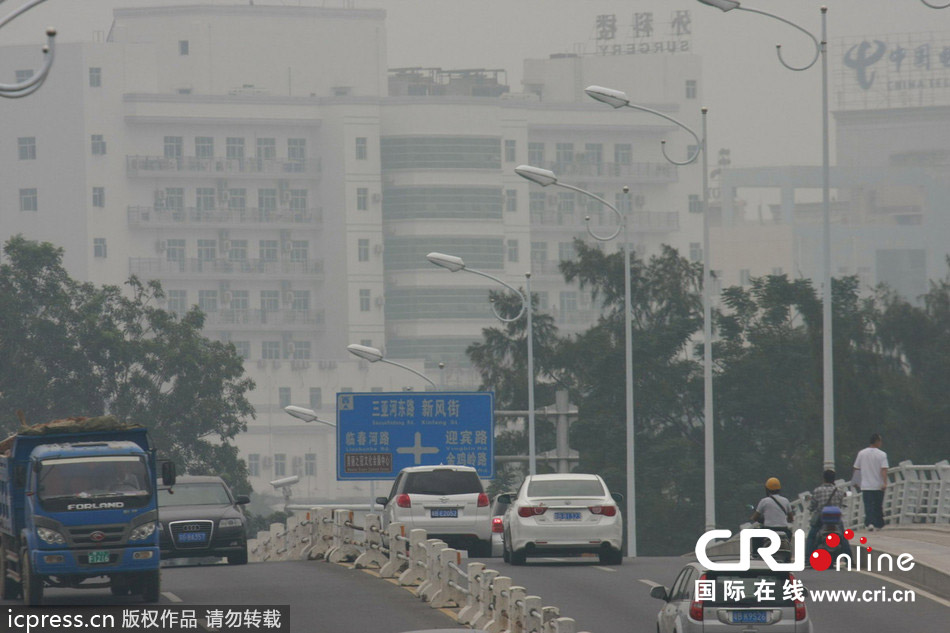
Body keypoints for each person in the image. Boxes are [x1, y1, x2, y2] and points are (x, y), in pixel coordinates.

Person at [852, 433, 889, 530]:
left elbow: (857, 468)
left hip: (866, 485)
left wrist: (856, 481)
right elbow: (884, 469)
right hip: (878, 485)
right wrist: (885, 483)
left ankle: (869, 523)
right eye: (880, 441)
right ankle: (879, 524)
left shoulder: (861, 453)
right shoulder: (882, 454)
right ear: (877, 441)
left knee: (868, 505)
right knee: (878, 505)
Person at [750, 477, 795, 556]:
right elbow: (791, 518)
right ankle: (787, 553)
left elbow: (754, 518)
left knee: (754, 533)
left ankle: (756, 555)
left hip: (768, 530)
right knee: (789, 534)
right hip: (783, 530)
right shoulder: (786, 500)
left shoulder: (764, 501)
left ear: (767, 489)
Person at [807, 469, 845, 550]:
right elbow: (840, 505)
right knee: (843, 538)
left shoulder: (817, 490)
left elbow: (812, 506)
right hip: (835, 519)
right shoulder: (839, 491)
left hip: (822, 519)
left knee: (811, 537)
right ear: (833, 479)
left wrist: (811, 509)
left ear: (824, 479)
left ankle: (807, 560)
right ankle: (850, 560)